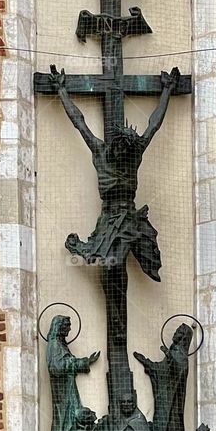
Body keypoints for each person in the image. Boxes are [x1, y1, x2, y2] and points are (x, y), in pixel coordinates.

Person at [48, 64, 181, 280]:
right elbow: (79, 123)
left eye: (126, 151)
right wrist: (61, 91)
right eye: (120, 149)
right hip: (110, 216)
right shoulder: (100, 151)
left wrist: (167, 90)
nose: (122, 154)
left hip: (130, 216)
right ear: (115, 144)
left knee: (138, 259)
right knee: (112, 264)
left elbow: (153, 125)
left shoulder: (134, 153)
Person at [44, 314, 99, 431]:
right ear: (59, 327)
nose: (68, 329)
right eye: (66, 326)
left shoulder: (61, 345)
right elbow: (56, 367)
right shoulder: (54, 345)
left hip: (68, 392)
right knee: (67, 429)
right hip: (63, 397)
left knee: (72, 427)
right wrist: (83, 362)